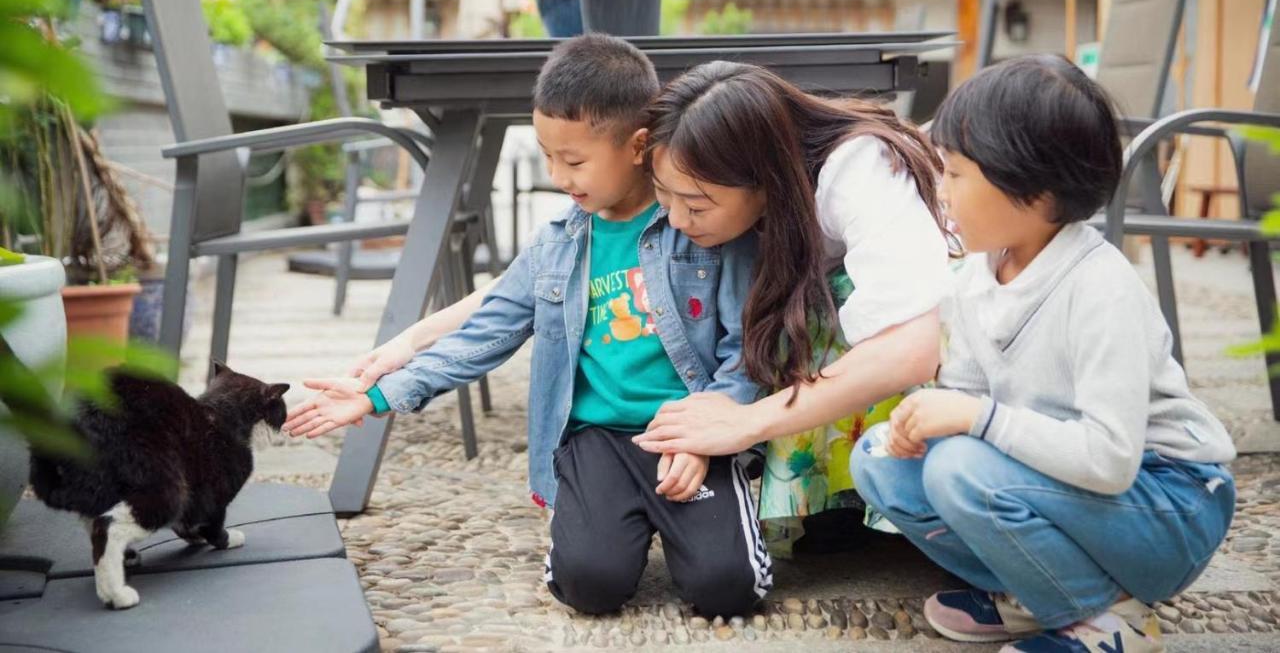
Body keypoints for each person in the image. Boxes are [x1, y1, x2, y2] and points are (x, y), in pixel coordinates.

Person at [284, 34, 771, 618]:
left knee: (729, 590)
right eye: (546, 155)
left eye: (574, 160)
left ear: (639, 146)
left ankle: (708, 527)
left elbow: (745, 347)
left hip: (693, 427)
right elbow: (484, 333)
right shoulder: (557, 246)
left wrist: (707, 433)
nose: (557, 174)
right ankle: (594, 525)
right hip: (597, 439)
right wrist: (380, 393)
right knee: (589, 585)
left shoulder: (700, 223)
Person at [850, 55, 1237, 653]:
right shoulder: (978, 275)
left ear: (1033, 189)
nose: (940, 191)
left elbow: (1110, 460)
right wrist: (930, 415)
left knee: (961, 469)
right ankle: (1037, 592)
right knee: (880, 460)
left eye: (954, 174)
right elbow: (969, 396)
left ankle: (1108, 620)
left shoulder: (1099, 287)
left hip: (1169, 507)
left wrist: (974, 420)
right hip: (1067, 486)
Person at [631, 61, 954, 554]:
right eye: (663, 198)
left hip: (948, 333)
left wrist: (747, 421)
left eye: (697, 206)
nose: (677, 220)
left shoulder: (858, 168)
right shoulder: (745, 193)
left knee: (826, 301)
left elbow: (911, 346)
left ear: (764, 178)